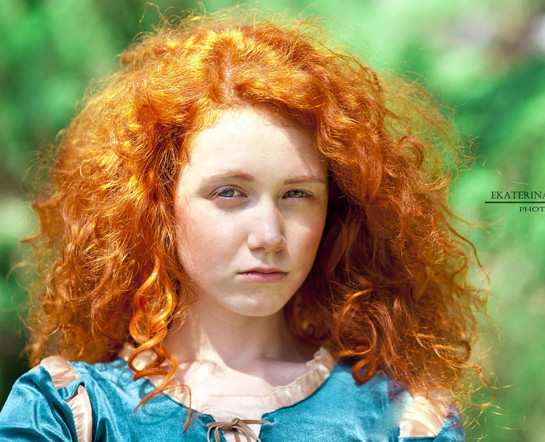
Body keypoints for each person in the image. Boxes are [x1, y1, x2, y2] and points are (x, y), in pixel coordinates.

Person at [0, 9, 486, 442]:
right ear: (157, 205)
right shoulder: (69, 414)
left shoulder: (403, 420)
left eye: (297, 195)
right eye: (229, 193)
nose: (269, 236)